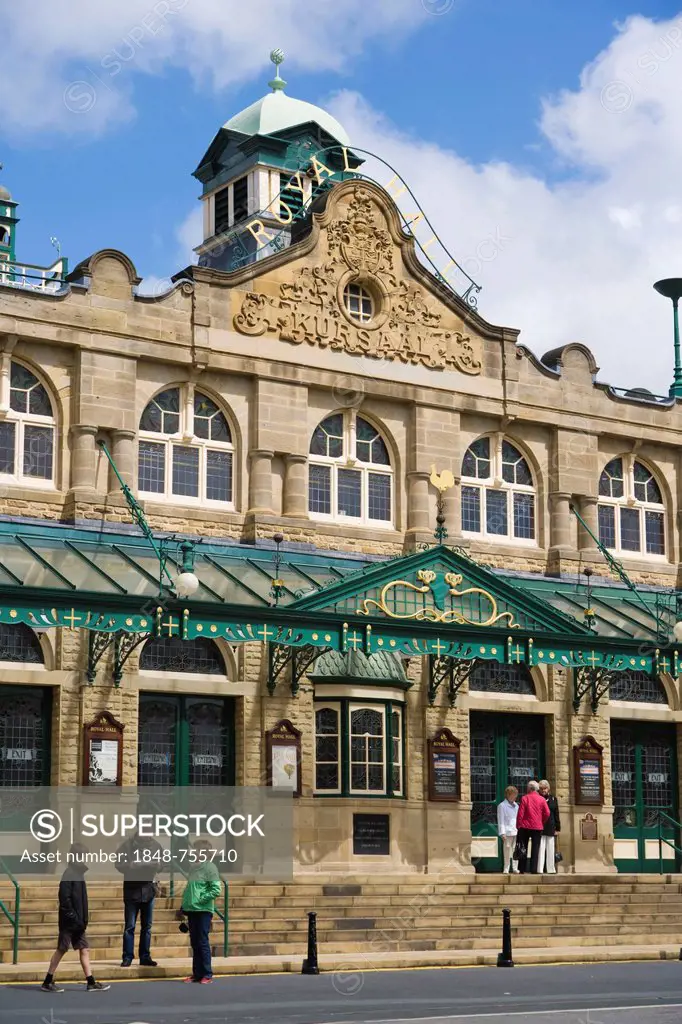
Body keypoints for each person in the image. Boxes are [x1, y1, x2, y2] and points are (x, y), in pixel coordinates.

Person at [41, 843, 110, 993]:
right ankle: (47, 980)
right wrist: (72, 916)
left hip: (78, 922)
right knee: (61, 949)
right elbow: (64, 898)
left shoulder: (78, 874)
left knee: (84, 949)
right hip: (70, 922)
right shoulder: (69, 873)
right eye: (82, 856)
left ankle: (90, 982)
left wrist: (82, 919)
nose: (84, 859)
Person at [115, 830, 163, 967]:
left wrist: (157, 865)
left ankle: (145, 956)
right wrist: (131, 866)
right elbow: (118, 863)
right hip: (132, 891)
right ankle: (127, 956)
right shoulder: (127, 846)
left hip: (149, 891)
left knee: (147, 926)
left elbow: (164, 863)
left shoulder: (156, 845)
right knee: (130, 926)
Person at [180, 838, 222, 984]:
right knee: (194, 942)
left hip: (204, 910)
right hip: (192, 909)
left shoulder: (210, 868)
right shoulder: (193, 868)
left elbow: (216, 889)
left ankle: (207, 974)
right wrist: (184, 905)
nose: (194, 853)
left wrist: (200, 899)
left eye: (196, 850)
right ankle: (197, 974)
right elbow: (189, 888)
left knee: (202, 941)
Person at [515, 780, 550, 874]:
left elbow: (520, 813)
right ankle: (533, 869)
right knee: (535, 848)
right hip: (537, 827)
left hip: (525, 827)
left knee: (523, 847)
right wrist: (541, 821)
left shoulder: (525, 798)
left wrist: (518, 825)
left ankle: (522, 868)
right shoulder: (542, 799)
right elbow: (547, 813)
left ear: (530, 788)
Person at [538, 779, 561, 874]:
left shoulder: (553, 799)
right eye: (542, 788)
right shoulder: (538, 798)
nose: (544, 790)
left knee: (551, 849)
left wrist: (558, 828)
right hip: (540, 826)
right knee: (541, 848)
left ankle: (551, 869)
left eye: (545, 788)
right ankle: (539, 869)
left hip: (551, 826)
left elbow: (556, 813)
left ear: (548, 789)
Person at [497, 785, 519, 874]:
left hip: (516, 831)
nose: (514, 797)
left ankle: (515, 868)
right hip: (507, 831)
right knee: (507, 850)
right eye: (512, 795)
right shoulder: (502, 806)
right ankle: (506, 868)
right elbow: (500, 820)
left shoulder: (516, 805)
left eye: (515, 795)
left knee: (515, 851)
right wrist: (502, 833)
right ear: (508, 795)